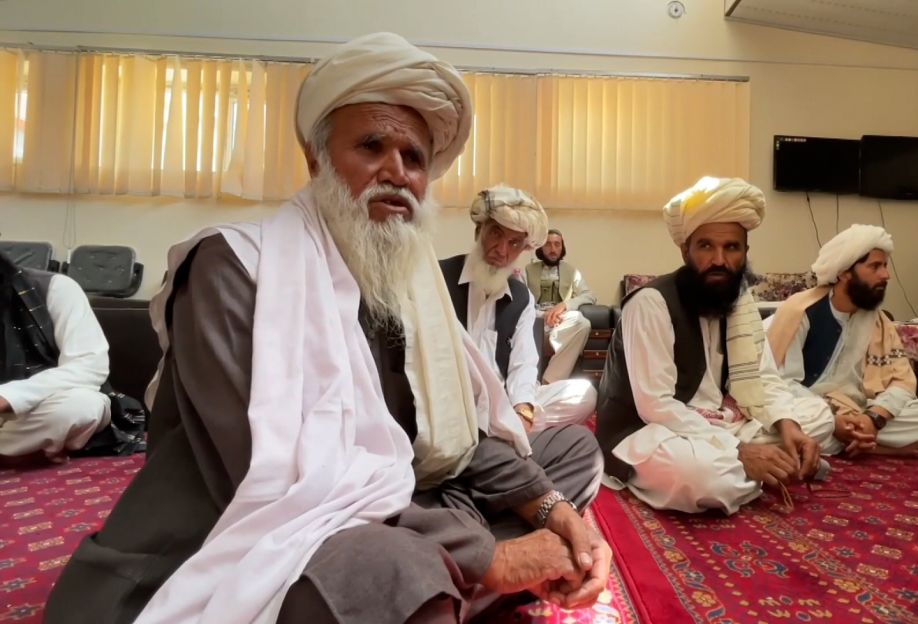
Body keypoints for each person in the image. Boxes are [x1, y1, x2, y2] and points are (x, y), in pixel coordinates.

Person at [46, 33, 609, 624]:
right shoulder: (234, 266)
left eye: (415, 158)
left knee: (571, 452)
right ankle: (445, 581)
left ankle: (440, 586)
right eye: (372, 146)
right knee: (392, 568)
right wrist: (489, 554)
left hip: (401, 500)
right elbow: (289, 481)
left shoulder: (408, 285)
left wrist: (556, 512)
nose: (396, 171)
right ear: (316, 159)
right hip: (252, 534)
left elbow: (460, 438)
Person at [595, 176, 834, 515]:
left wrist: (788, 427)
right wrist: (739, 449)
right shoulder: (651, 303)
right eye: (706, 246)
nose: (719, 260)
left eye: (731, 248)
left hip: (722, 422)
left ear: (745, 252)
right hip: (651, 430)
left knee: (817, 419)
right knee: (704, 479)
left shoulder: (740, 305)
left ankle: (768, 464)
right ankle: (769, 467)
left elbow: (764, 379)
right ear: (685, 250)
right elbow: (655, 406)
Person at [762, 225, 918, 458]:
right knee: (806, 423)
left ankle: (856, 439)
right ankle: (878, 448)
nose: (886, 275)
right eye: (875, 266)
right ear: (844, 272)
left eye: (885, 266)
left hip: (861, 409)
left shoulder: (878, 321)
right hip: (814, 410)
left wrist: (873, 418)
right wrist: (834, 418)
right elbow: (783, 383)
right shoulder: (801, 312)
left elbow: (902, 383)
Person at [440, 186, 597, 431]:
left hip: (502, 401)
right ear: (479, 230)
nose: (502, 251)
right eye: (495, 234)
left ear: (524, 248)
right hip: (450, 402)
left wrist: (523, 409)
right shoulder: (439, 279)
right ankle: (503, 431)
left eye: (514, 243)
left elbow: (523, 363)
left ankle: (507, 427)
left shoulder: (521, 297)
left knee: (584, 394)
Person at [0, 249, 110, 461]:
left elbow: (88, 366)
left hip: (38, 406)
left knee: (78, 407)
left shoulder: (56, 288)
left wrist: (9, 396)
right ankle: (27, 450)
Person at [524, 229, 597, 382]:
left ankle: (549, 382)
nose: (553, 249)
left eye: (557, 245)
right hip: (536, 320)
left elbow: (589, 295)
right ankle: (557, 344)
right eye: (548, 245)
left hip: (560, 322)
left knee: (582, 322)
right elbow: (522, 301)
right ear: (541, 248)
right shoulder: (527, 270)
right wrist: (543, 315)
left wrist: (564, 305)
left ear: (562, 248)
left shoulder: (572, 271)